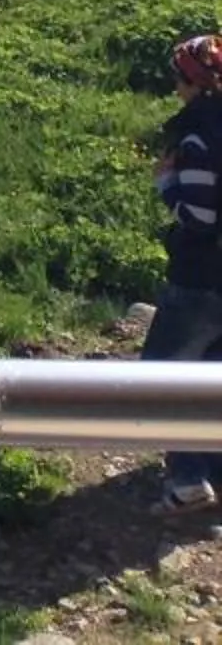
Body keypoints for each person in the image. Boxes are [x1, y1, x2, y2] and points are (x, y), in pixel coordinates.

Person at [146, 34, 222, 514]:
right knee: (215, 374)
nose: (175, 87)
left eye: (178, 79)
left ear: (193, 83)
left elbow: (200, 215)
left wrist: (167, 186)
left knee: (164, 373)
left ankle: (189, 478)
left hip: (201, 278)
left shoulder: (197, 137)